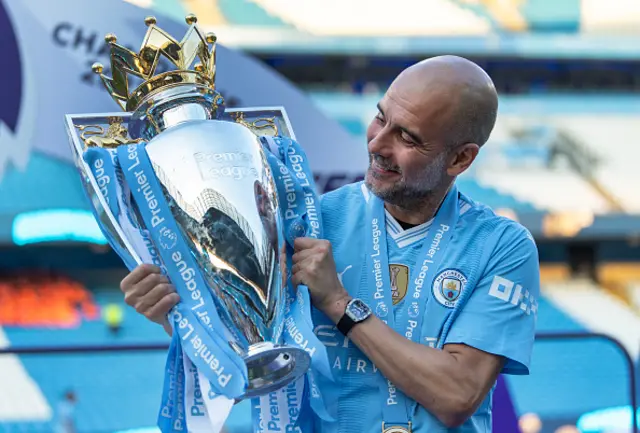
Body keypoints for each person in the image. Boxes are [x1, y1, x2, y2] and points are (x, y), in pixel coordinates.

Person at [119, 55, 540, 432]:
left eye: (408, 138)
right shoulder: (306, 220)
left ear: (460, 159)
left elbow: (456, 396)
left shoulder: (501, 246)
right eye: (380, 118)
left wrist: (339, 302)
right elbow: (254, 365)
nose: (377, 143)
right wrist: (180, 315)